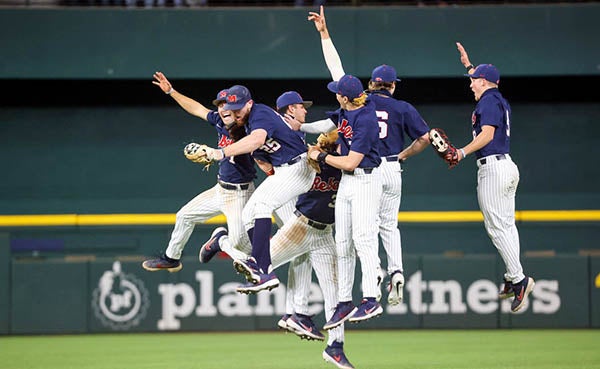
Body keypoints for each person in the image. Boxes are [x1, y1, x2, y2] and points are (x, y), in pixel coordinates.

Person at [305, 5, 432, 306]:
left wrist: (325, 34)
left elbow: (335, 80)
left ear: (372, 84)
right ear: (392, 85)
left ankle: (372, 276)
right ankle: (397, 270)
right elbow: (426, 138)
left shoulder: (360, 105)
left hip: (364, 169)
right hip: (391, 167)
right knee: (389, 225)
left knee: (362, 232)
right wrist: (404, 155)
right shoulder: (401, 107)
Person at [202, 126, 355, 368]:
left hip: (326, 235)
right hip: (300, 228)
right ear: (332, 145)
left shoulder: (347, 165)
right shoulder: (309, 160)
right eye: (342, 141)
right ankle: (221, 240)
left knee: (336, 295)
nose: (347, 144)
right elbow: (276, 163)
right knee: (257, 263)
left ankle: (335, 347)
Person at [198, 85, 317, 294]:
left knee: (262, 205)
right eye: (232, 109)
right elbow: (262, 155)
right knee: (248, 213)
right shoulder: (246, 121)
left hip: (298, 167)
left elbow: (257, 140)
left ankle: (262, 267)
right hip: (285, 170)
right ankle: (263, 271)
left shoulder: (259, 113)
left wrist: (220, 153)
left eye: (239, 109)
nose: (235, 113)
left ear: (249, 104)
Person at [142, 72, 257, 272]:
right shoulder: (220, 122)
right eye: (220, 105)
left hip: (241, 194)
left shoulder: (249, 128)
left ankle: (220, 241)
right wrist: (171, 91)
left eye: (226, 105)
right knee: (184, 216)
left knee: (241, 246)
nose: (223, 109)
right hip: (221, 189)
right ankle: (171, 257)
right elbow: (196, 108)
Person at [455, 42, 535, 312]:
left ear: (484, 82)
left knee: (496, 228)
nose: (470, 84)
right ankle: (515, 277)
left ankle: (519, 279)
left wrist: (462, 152)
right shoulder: (496, 97)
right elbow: (481, 79)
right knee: (507, 226)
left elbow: (487, 135)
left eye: (473, 80)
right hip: (506, 165)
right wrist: (468, 65)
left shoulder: (489, 100)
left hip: (493, 167)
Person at [302, 74, 383, 331]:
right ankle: (344, 301)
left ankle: (371, 298)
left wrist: (321, 156)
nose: (334, 93)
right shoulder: (347, 109)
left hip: (366, 180)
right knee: (343, 242)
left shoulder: (366, 120)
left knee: (363, 238)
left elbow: (350, 162)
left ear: (344, 97)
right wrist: (299, 127)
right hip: (349, 182)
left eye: (337, 91)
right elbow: (329, 125)